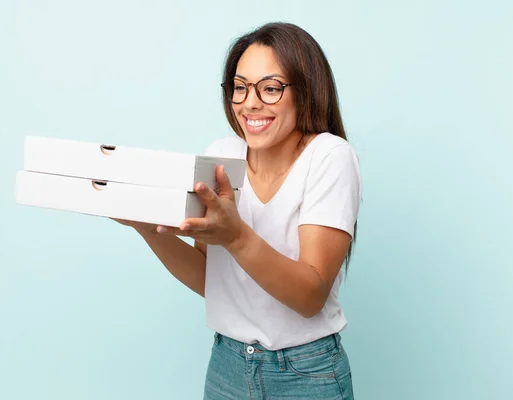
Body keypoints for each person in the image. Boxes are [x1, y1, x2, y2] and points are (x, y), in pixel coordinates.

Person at [114, 22, 362, 400]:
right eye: (240, 87)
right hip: (227, 366)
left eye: (270, 88)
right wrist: (146, 228)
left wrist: (235, 236)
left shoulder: (329, 157)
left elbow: (310, 297)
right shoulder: (223, 156)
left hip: (304, 373)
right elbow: (211, 281)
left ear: (306, 90)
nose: (250, 102)